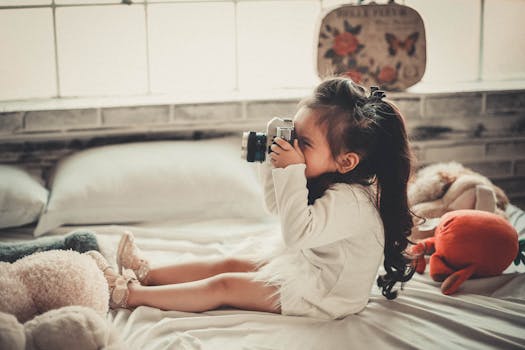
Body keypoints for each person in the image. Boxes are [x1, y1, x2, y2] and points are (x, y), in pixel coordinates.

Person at [90, 77, 416, 320]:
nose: (293, 149)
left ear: (346, 161)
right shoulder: (330, 176)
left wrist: (290, 170)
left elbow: (296, 233)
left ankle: (131, 295)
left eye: (303, 141)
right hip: (311, 265)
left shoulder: (352, 203)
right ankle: (149, 272)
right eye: (293, 135)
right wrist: (274, 158)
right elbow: (276, 206)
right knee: (231, 261)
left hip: (327, 295)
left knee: (225, 285)